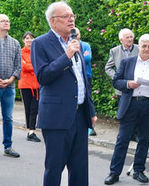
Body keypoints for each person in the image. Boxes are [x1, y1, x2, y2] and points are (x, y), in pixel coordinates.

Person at [30, 2, 97, 186]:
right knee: (54, 168)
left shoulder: (77, 42)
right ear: (53, 22)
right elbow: (43, 76)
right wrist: (66, 55)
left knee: (80, 169)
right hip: (56, 118)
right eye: (66, 16)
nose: (71, 19)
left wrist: (90, 111)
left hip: (80, 116)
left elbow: (83, 80)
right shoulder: (40, 43)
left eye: (72, 15)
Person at [104, 34, 149, 185]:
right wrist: (128, 84)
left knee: (144, 140)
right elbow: (116, 81)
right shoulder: (127, 62)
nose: (147, 49)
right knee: (122, 140)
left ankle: (139, 170)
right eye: (144, 46)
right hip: (130, 105)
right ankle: (114, 173)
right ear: (139, 46)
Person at [105, 28, 139, 142]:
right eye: (127, 37)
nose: (130, 39)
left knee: (136, 111)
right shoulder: (114, 51)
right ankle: (125, 134)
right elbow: (108, 67)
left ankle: (135, 135)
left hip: (136, 86)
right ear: (121, 40)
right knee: (124, 112)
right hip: (122, 88)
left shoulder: (139, 49)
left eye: (131, 37)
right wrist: (116, 78)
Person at [0, 14, 21, 158]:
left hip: (9, 87)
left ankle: (8, 147)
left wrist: (11, 79)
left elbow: (18, 66)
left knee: (8, 118)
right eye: (3, 21)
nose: (6, 23)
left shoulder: (15, 43)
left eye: (8, 21)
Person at [18, 31, 40, 142]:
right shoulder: (20, 52)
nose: (29, 40)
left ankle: (31, 130)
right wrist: (33, 66)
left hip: (37, 85)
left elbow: (40, 65)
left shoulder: (37, 52)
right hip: (25, 85)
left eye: (31, 38)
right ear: (23, 40)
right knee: (28, 108)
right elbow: (25, 67)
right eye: (27, 38)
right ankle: (30, 131)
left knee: (35, 108)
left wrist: (31, 65)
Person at [75, 27, 97, 136]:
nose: (76, 36)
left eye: (77, 33)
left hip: (86, 76)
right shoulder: (68, 45)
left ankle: (91, 126)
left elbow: (88, 58)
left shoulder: (85, 45)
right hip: (75, 78)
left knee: (88, 99)